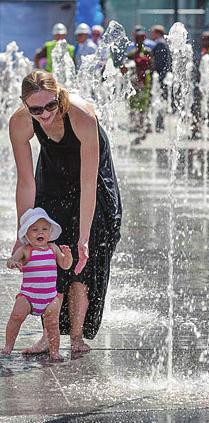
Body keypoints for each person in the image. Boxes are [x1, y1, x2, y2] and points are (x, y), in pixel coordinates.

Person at [9, 69, 122, 354]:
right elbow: (25, 182)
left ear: (59, 96)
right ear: (25, 105)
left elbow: (88, 183)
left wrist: (84, 237)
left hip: (92, 181)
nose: (44, 114)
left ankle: (76, 337)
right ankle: (50, 335)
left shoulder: (83, 116)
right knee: (48, 253)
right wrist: (22, 233)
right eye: (36, 109)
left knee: (84, 260)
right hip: (53, 176)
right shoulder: (21, 122)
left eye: (50, 105)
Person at [1, 207, 73, 361]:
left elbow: (65, 265)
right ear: (26, 234)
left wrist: (68, 257)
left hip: (50, 297)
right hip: (28, 296)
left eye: (44, 229)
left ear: (50, 232)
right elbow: (11, 260)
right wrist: (13, 262)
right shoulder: (25, 250)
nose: (40, 232)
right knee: (16, 317)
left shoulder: (53, 248)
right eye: (34, 230)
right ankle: (8, 346)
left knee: (53, 325)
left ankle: (54, 352)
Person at [150, 24, 172, 132]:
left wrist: (158, 76)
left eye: (153, 32)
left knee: (159, 100)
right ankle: (159, 124)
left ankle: (159, 124)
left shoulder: (160, 44)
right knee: (161, 100)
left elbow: (160, 63)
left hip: (160, 77)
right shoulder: (163, 43)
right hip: (163, 76)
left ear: (158, 33)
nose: (151, 35)